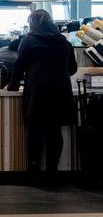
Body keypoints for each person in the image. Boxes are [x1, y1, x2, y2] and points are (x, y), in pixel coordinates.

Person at [8, 10, 77, 183]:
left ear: (33, 23)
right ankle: (52, 171)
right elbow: (73, 68)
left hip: (38, 90)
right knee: (55, 131)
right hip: (61, 90)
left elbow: (18, 66)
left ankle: (34, 170)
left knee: (36, 129)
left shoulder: (29, 41)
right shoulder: (64, 42)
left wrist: (13, 87)